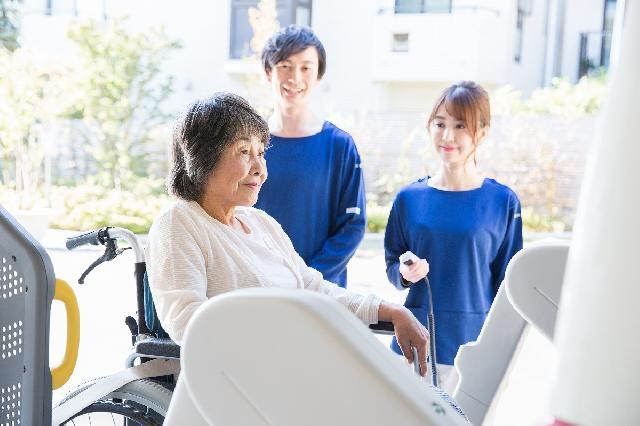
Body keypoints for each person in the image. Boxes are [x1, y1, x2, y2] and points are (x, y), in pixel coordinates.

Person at [146, 92, 430, 375]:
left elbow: (315, 290)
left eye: (261, 153)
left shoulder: (261, 223)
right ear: (202, 157)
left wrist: (391, 311)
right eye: (244, 152)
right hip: (248, 379)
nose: (260, 169)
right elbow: (187, 322)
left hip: (295, 367)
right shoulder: (180, 222)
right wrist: (284, 333)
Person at [384, 81, 523, 390]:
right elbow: (393, 267)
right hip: (413, 346)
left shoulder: (502, 202)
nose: (447, 136)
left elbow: (508, 284)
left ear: (482, 132)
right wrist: (406, 273)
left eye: (460, 125)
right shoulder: (409, 198)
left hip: (472, 347)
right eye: (440, 124)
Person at [253, 25, 365, 288]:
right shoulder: (249, 144)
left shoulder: (339, 145)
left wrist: (308, 280)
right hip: (259, 289)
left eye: (306, 68)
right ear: (269, 72)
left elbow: (352, 226)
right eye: (285, 66)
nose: (295, 77)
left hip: (321, 294)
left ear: (318, 76)